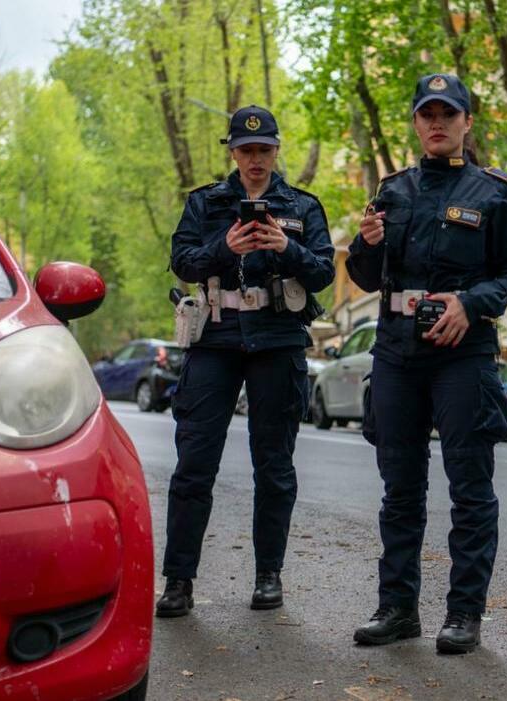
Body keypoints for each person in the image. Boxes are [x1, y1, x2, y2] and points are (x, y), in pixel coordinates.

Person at [345, 74, 507, 653]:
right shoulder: (392, 191)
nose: (437, 123)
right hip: (398, 352)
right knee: (399, 490)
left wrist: (471, 304)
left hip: (462, 353)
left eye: (448, 114)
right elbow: (365, 277)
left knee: (470, 490)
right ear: (415, 122)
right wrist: (369, 243)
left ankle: (464, 614)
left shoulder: (496, 192)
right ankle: (398, 608)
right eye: (427, 113)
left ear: (466, 123)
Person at [156, 105, 335, 618]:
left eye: (264, 150)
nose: (255, 159)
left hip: (277, 338)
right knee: (194, 463)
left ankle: (268, 576)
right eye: (246, 150)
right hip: (215, 337)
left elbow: (323, 270)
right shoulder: (207, 202)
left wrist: (286, 248)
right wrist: (223, 246)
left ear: (277, 151)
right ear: (232, 152)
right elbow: (183, 259)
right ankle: (179, 580)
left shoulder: (301, 206)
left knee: (274, 464)